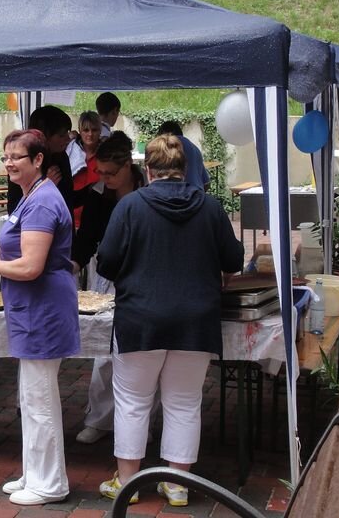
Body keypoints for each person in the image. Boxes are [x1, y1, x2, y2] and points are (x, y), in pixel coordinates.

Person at [97, 135, 243, 507]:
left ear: (146, 170)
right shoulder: (210, 208)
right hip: (196, 320)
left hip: (140, 318)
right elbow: (233, 260)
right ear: (185, 169)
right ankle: (177, 483)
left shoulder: (129, 206)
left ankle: (128, 482)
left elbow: (107, 261)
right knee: (184, 402)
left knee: (132, 401)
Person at [0, 129, 79, 506]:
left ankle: (50, 483)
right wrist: (1, 257)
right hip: (31, 310)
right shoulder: (31, 197)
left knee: (40, 399)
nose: (9, 162)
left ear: (38, 160)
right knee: (31, 396)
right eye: (6, 156)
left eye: (17, 157)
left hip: (42, 309)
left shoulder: (40, 203)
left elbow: (30, 266)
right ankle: (34, 472)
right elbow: (11, 241)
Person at [70, 132, 146, 445]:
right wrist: (71, 265)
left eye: (110, 173)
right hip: (107, 275)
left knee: (138, 354)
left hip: (142, 275)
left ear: (129, 165)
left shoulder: (147, 192)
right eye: (100, 172)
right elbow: (86, 238)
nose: (105, 178)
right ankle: (99, 419)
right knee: (104, 350)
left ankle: (139, 424)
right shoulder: (97, 195)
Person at [7, 106, 74, 217]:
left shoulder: (61, 157)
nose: (68, 139)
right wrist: (43, 186)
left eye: (67, 133)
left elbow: (68, 198)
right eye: (61, 135)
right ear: (44, 136)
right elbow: (14, 210)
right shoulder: (22, 163)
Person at [68, 111, 103, 229]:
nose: (90, 134)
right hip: (70, 220)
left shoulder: (106, 155)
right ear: (79, 131)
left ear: (100, 130)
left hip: (98, 220)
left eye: (94, 130)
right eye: (86, 130)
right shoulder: (70, 152)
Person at [156, 120, 210, 190]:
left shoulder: (167, 146)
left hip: (175, 196)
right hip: (197, 196)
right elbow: (206, 183)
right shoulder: (195, 149)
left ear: (164, 134)